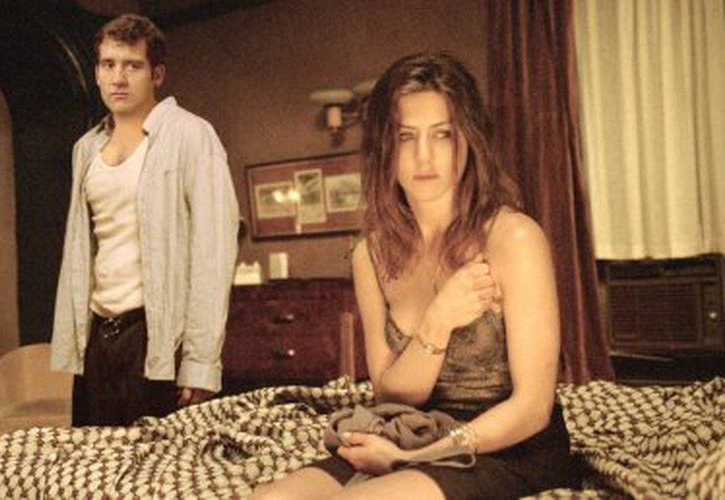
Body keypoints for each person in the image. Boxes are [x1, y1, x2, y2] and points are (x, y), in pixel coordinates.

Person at [251, 52, 581, 499]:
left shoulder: (515, 238)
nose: (424, 156)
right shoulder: (370, 254)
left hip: (509, 447)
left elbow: (533, 408)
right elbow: (391, 394)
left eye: (443, 134)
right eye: (406, 137)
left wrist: (412, 460)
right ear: (385, 148)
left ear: (469, 140)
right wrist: (438, 321)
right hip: (410, 432)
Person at [50, 13, 239, 427]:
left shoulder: (192, 135)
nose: (118, 78)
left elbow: (214, 253)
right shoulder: (85, 149)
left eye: (132, 66)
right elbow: (83, 252)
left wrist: (201, 362)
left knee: (156, 464)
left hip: (157, 335)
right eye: (108, 64)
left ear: (157, 74)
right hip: (99, 335)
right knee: (95, 461)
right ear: (97, 72)